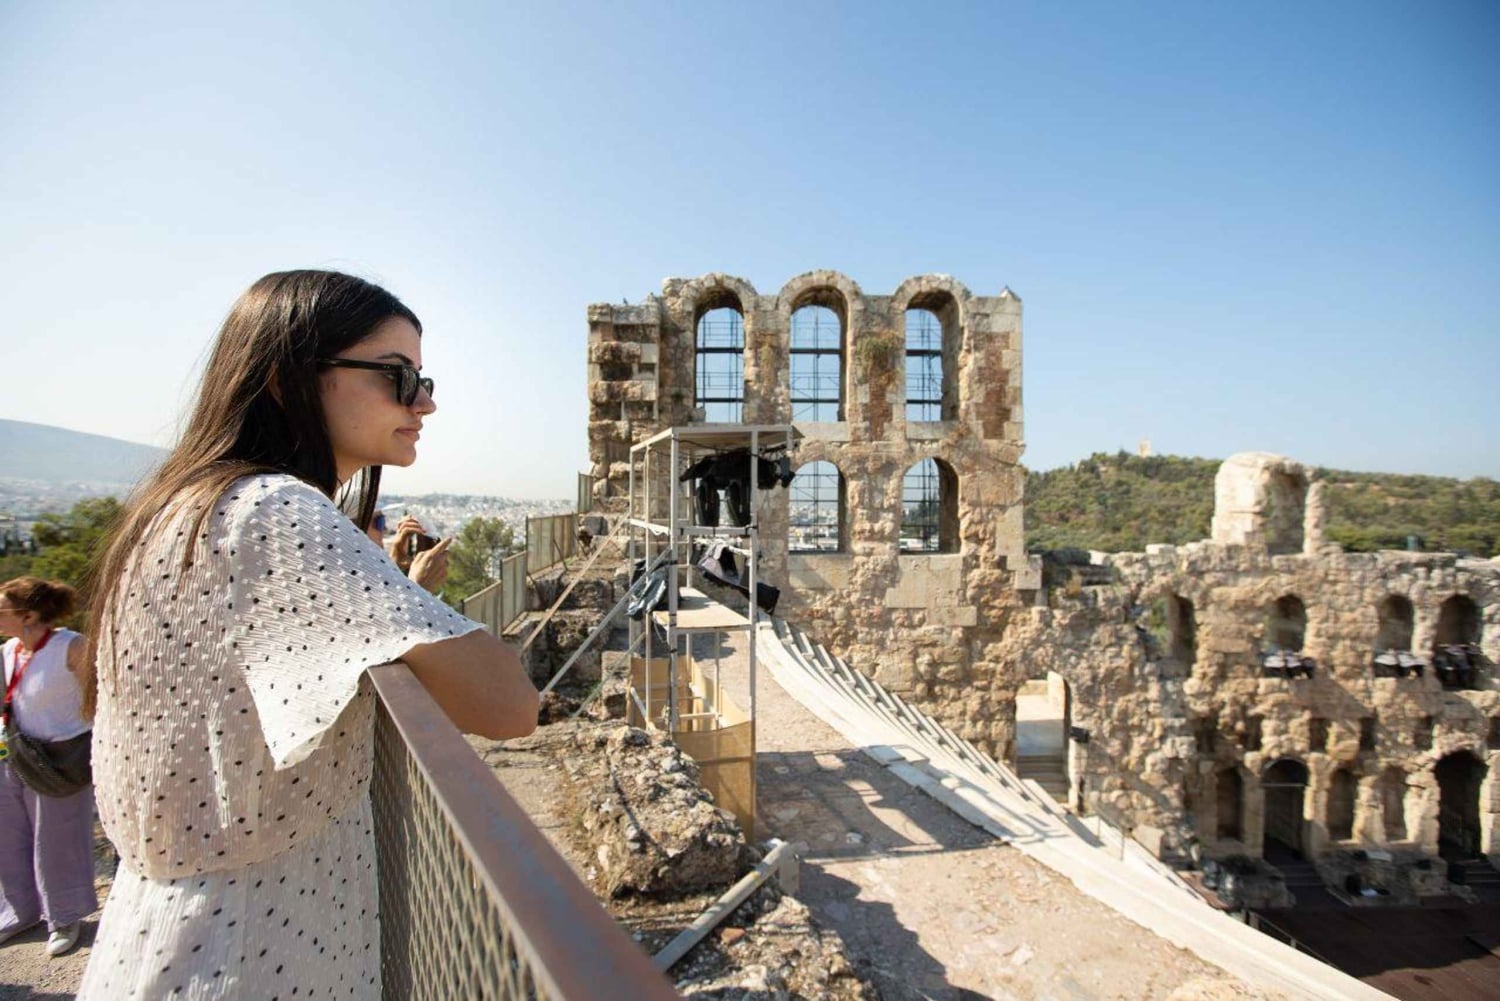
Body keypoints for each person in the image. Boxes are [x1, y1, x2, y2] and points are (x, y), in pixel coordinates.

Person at [77, 270, 538, 998]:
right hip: (254, 950)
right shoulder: (273, 511)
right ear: (286, 377)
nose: (424, 402)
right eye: (397, 376)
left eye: (422, 379)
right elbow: (510, 704)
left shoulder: (181, 506)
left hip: (176, 936)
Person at [0, 577, 98, 957]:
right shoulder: (8, 651)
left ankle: (65, 916)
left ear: (30, 615)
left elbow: (102, 695)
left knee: (58, 841)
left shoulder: (71, 646)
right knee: (9, 837)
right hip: (15, 755)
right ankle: (19, 913)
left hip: (61, 759)